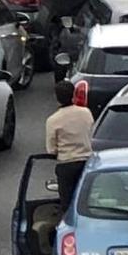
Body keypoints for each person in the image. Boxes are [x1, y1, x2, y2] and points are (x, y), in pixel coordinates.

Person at [45, 80, 94, 213]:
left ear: (57, 97)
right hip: (86, 162)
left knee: (67, 203)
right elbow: (91, 132)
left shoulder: (53, 120)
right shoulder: (86, 113)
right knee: (87, 201)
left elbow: (51, 149)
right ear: (73, 95)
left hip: (66, 164)